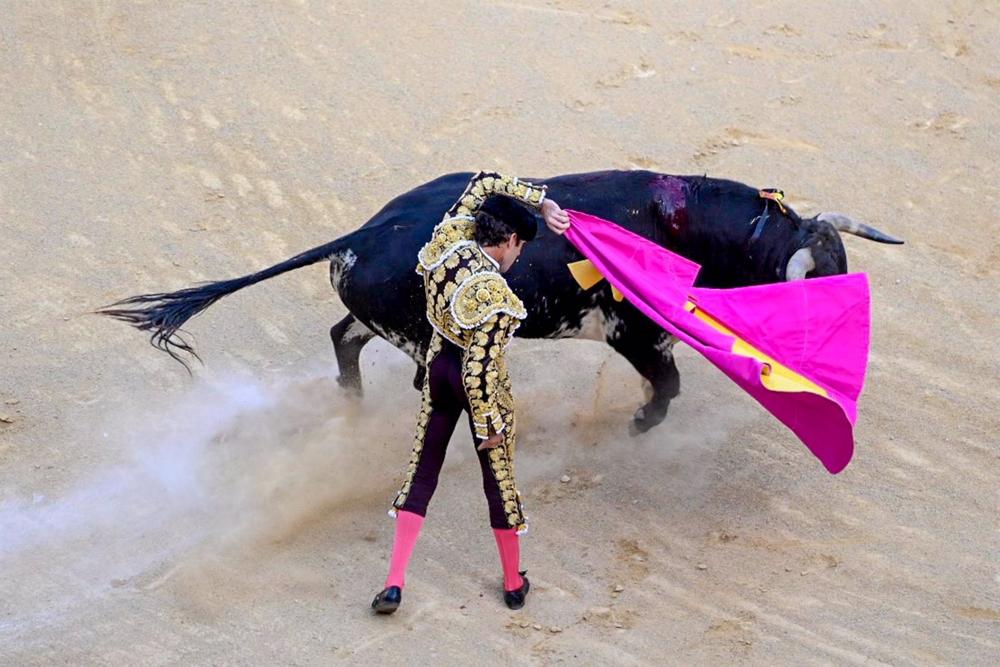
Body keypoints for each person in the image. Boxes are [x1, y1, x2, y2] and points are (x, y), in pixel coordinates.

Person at [371, 171, 570, 614]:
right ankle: (514, 583)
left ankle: (394, 582)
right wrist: (489, 425)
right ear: (511, 240)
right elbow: (479, 369)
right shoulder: (496, 296)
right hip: (471, 381)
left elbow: (482, 182)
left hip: (438, 364)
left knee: (422, 470)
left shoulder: (448, 240)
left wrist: (539, 201)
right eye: (520, 248)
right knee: (498, 480)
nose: (518, 257)